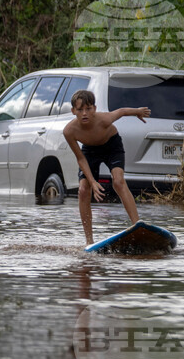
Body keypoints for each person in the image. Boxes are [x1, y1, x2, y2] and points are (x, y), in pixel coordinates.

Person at [63, 89, 150, 245]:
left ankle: (137, 225)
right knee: (83, 190)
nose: (84, 113)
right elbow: (81, 159)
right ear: (73, 111)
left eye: (88, 109)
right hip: (89, 152)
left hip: (112, 146)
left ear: (94, 109)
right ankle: (89, 240)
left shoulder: (103, 119)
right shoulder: (69, 131)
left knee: (118, 181)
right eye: (80, 109)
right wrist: (92, 181)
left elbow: (122, 111)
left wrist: (137, 111)